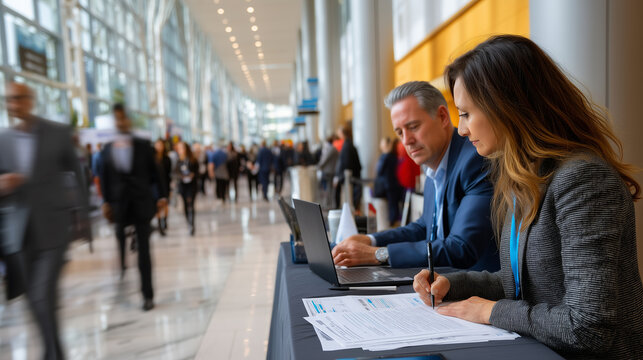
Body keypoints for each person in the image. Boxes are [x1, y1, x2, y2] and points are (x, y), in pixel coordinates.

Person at [413, 35, 643, 359]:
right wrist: (455, 284)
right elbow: (524, 285)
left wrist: (489, 312)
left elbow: (588, 327)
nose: (461, 130)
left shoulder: (584, 180)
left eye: (466, 114)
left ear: (505, 107)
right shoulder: (524, 179)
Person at [332, 81, 498, 271]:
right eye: (399, 132)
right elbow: (424, 227)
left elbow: (462, 247)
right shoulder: (433, 165)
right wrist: (371, 240)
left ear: (443, 116)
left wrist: (377, 254)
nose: (406, 141)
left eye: (413, 126)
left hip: (478, 291)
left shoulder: (474, 160)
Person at [0, 82, 88, 359]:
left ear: (30, 99)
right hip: (20, 232)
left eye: (18, 99)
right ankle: (55, 352)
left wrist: (83, 219)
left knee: (40, 295)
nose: (14, 105)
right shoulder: (3, 140)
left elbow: (78, 175)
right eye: (9, 100)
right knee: (36, 299)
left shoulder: (58, 133)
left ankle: (53, 354)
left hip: (53, 230)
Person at [99, 103, 165, 311]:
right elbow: (105, 177)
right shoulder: (107, 149)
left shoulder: (143, 145)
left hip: (141, 203)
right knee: (120, 237)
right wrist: (106, 202)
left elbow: (156, 173)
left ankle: (148, 295)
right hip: (120, 205)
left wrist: (162, 197)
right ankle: (122, 265)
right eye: (117, 118)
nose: (121, 122)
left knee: (144, 251)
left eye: (123, 118)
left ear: (129, 120)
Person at [374, 137, 402, 226]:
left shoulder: (386, 156)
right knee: (393, 205)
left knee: (392, 205)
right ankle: (393, 221)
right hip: (392, 184)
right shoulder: (393, 156)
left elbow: (379, 171)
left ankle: (393, 222)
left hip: (389, 185)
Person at [333, 124, 362, 210]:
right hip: (350, 175)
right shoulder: (348, 144)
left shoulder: (347, 145)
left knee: (349, 198)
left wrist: (339, 176)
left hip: (349, 176)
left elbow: (346, 163)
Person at [176, 141, 198, 235]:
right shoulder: (179, 161)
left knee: (191, 204)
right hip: (183, 185)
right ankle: (188, 222)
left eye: (182, 148)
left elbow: (197, 171)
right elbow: (176, 172)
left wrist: (193, 175)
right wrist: (181, 176)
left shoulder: (193, 160)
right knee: (185, 205)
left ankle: (192, 224)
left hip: (192, 185)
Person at [153, 139, 171, 235]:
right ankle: (160, 224)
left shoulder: (166, 159)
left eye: (160, 145)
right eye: (157, 145)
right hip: (156, 185)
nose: (159, 147)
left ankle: (165, 221)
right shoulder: (152, 158)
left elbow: (169, 174)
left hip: (165, 184)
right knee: (158, 205)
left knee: (165, 204)